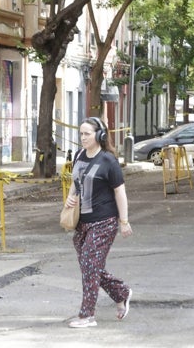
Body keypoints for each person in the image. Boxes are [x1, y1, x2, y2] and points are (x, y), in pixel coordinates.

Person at [64, 117, 133, 328]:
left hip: (104, 221)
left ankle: (87, 316)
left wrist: (124, 221)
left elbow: (120, 192)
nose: (83, 138)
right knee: (90, 266)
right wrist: (69, 198)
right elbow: (76, 182)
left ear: (100, 135)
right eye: (81, 133)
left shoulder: (108, 161)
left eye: (87, 134)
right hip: (82, 223)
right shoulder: (79, 155)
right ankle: (121, 292)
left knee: (89, 265)